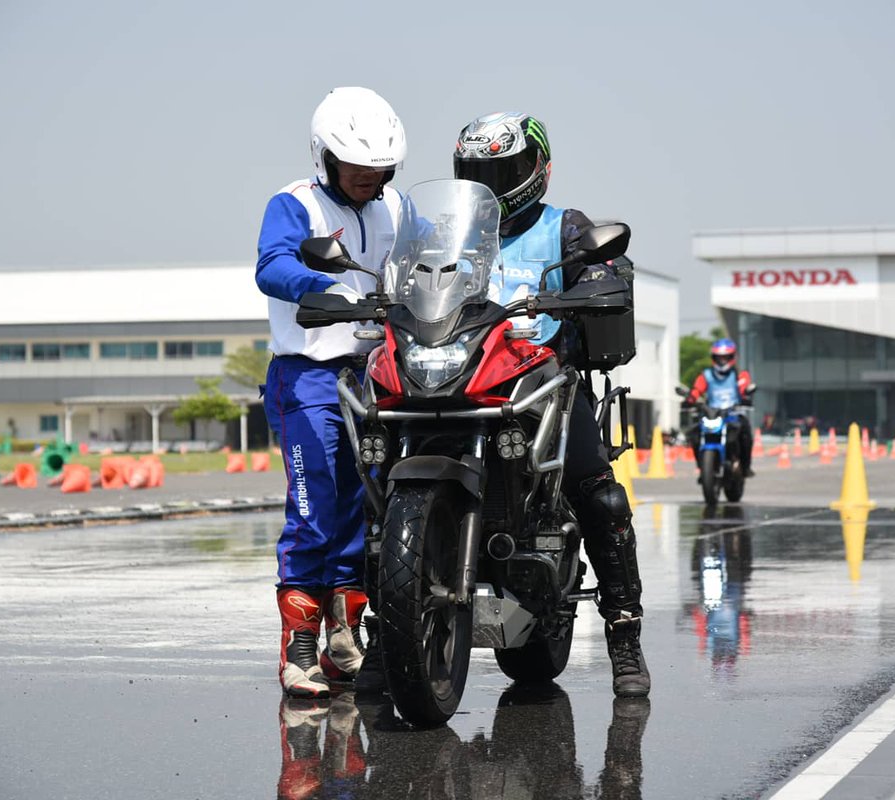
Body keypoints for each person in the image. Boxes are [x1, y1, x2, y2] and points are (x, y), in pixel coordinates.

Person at [453, 111, 650, 697]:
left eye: (505, 170)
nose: (493, 184)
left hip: (546, 385)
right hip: (462, 383)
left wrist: (600, 282)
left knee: (598, 490)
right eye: (479, 172)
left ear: (539, 168)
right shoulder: (455, 233)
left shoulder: (564, 226)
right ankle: (386, 635)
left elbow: (605, 264)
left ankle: (624, 634)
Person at [255, 86, 406, 698]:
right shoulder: (295, 205)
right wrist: (324, 286)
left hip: (384, 371)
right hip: (310, 373)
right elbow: (271, 265)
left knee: (367, 508)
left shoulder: (397, 206)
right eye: (358, 169)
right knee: (316, 508)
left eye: (380, 169)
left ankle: (347, 635)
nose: (370, 180)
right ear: (325, 158)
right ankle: (297, 651)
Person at [683, 338, 755, 476]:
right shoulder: (706, 375)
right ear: (713, 358)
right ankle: (703, 468)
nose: (722, 361)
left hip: (733, 414)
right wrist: (690, 400)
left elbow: (743, 387)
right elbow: (696, 390)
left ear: (732, 357)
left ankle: (745, 467)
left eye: (725, 357)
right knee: (694, 434)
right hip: (711, 414)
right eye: (719, 358)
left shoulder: (739, 375)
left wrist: (745, 396)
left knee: (746, 433)